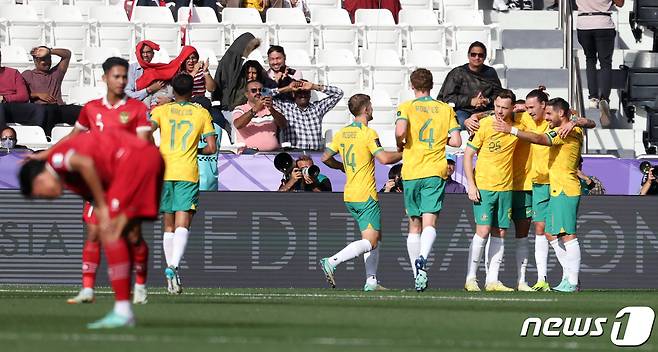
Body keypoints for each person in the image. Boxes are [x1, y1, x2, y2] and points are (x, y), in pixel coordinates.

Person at [19, 129, 164, 328]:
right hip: (149, 160)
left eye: (41, 195)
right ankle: (125, 305)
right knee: (121, 233)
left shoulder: (57, 160)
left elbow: (85, 163)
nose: (48, 199)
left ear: (39, 180)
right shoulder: (69, 179)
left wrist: (103, 207)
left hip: (134, 162)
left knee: (111, 232)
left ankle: (123, 311)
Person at [53, 57, 153, 305]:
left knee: (133, 237)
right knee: (94, 233)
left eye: (123, 77)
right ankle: (87, 288)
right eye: (116, 76)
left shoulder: (137, 110)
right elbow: (73, 137)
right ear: (105, 78)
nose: (120, 81)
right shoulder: (91, 109)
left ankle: (140, 284)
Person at [494, 98, 584, 293]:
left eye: (550, 114)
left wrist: (512, 130)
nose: (548, 118)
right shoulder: (569, 127)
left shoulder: (566, 131)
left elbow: (540, 139)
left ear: (561, 114)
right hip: (557, 187)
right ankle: (568, 277)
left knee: (568, 235)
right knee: (554, 232)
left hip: (564, 187)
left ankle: (573, 281)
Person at [320, 93, 402, 291]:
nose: (372, 109)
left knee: (375, 238)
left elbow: (324, 158)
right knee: (371, 241)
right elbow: (383, 159)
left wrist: (340, 167)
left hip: (350, 194)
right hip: (365, 194)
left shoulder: (342, 133)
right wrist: (404, 153)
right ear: (365, 109)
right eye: (371, 106)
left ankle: (371, 281)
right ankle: (332, 261)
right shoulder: (368, 133)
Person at [395, 68, 462, 292]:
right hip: (435, 169)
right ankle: (423, 258)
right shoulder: (445, 109)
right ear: (432, 85)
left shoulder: (407, 106)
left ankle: (417, 274)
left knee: (414, 224)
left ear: (412, 85)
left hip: (412, 170)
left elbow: (400, 131)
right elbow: (456, 141)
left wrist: (401, 142)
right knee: (430, 222)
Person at [150, 73, 217, 294]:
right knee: (183, 223)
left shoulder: (161, 110)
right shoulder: (201, 113)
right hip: (187, 172)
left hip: (163, 171)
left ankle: (171, 274)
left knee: (168, 225)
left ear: (172, 91)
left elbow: (145, 130)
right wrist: (194, 149)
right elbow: (211, 148)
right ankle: (174, 266)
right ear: (192, 92)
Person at [463, 90, 519, 292]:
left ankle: (492, 280)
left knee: (501, 231)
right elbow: (468, 155)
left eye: (505, 108)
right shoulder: (485, 125)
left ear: (512, 108)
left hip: (506, 187)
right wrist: (471, 184)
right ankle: (471, 278)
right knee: (483, 230)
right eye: (497, 107)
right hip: (485, 186)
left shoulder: (517, 126)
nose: (500, 111)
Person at [438, 42, 503, 130]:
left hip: (485, 110)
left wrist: (486, 100)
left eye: (480, 55)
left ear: (484, 57)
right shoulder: (458, 73)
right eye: (473, 54)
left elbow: (499, 94)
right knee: (460, 123)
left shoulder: (490, 72)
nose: (477, 57)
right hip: (463, 110)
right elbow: (447, 98)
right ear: (468, 56)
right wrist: (471, 101)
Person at [22, 46, 82, 136]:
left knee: (85, 111)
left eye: (48, 58)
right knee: (48, 111)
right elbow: (21, 95)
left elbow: (67, 54)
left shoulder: (56, 73)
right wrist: (37, 94)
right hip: (41, 110)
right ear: (35, 60)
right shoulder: (28, 74)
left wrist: (49, 51)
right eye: (43, 60)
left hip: (59, 108)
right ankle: (47, 140)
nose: (47, 62)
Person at [576, 0, 624, 109]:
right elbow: (620, 3)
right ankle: (604, 99)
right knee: (605, 63)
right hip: (603, 23)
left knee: (590, 60)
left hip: (584, 24)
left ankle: (593, 98)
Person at [272, 80, 344, 150]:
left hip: (315, 155)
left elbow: (339, 93)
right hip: (295, 154)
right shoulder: (286, 107)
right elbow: (264, 95)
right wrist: (288, 88)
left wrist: (314, 86)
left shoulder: (317, 108)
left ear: (310, 94)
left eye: (306, 92)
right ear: (293, 94)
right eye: (299, 92)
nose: (303, 95)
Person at [232, 80, 287, 153]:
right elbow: (238, 124)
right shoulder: (240, 109)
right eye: (254, 90)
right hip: (249, 152)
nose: (258, 93)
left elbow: (283, 125)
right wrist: (254, 109)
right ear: (246, 94)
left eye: (261, 90)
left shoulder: (273, 108)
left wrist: (271, 109)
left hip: (273, 152)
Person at [0, 49, 46, 131]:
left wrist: (5, 98)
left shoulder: (13, 73)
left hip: (12, 106)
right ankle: (3, 137)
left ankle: (37, 137)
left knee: (39, 109)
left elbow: (24, 96)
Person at [125, 41, 165, 107]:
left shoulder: (158, 69)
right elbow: (128, 95)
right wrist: (149, 90)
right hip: (135, 107)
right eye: (142, 52)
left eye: (148, 52)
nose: (145, 55)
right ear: (137, 54)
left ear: (153, 54)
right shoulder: (131, 69)